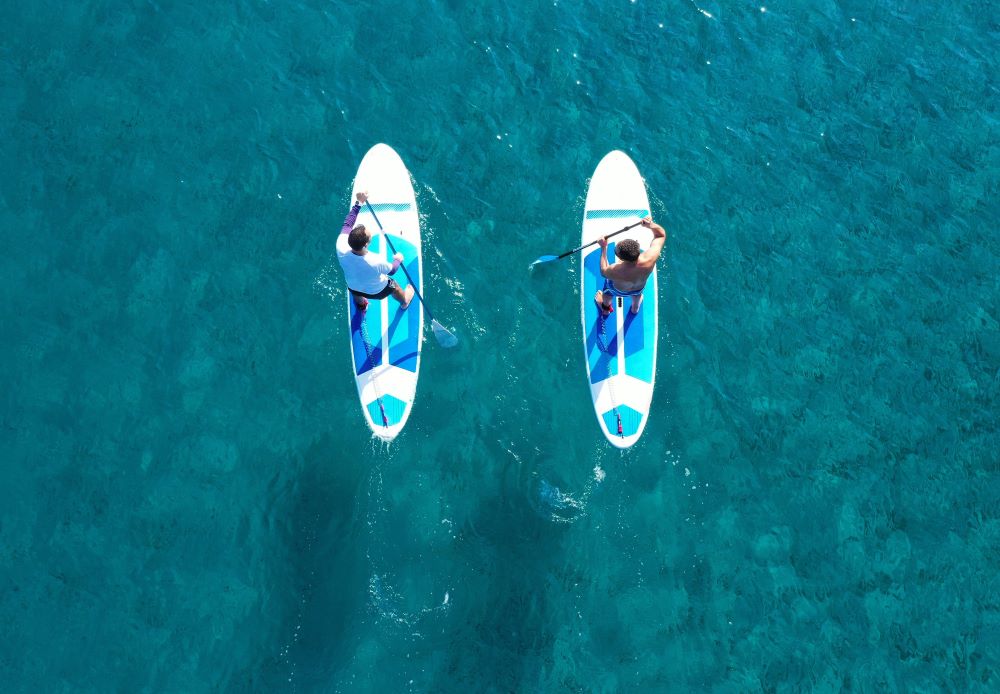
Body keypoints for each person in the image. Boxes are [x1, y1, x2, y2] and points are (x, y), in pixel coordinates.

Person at [337, 191, 414, 311]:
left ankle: (362, 306)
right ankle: (404, 301)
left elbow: (348, 223)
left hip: (353, 287)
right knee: (395, 286)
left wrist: (359, 203)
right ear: (366, 244)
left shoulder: (341, 247)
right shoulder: (375, 260)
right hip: (377, 291)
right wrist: (398, 260)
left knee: (355, 292)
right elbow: (392, 270)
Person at [594, 216, 666, 316]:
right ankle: (635, 309)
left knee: (607, 293)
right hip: (638, 288)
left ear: (621, 259)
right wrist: (650, 225)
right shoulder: (650, 257)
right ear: (638, 248)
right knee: (637, 295)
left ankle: (605, 310)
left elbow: (603, 271)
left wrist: (604, 247)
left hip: (617, 290)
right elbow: (660, 236)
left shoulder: (615, 270)